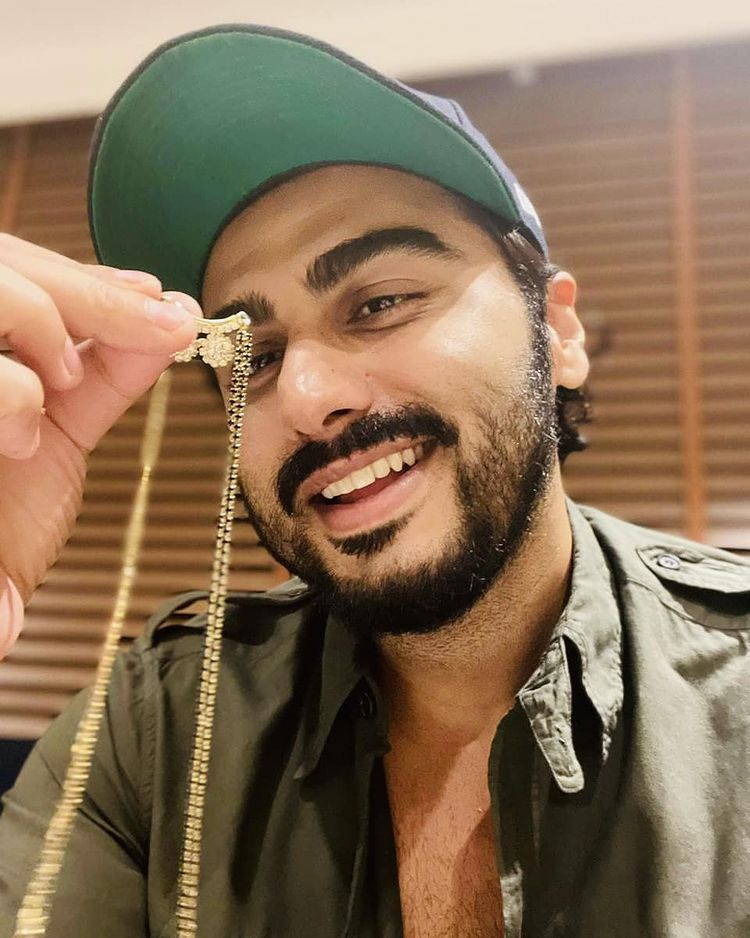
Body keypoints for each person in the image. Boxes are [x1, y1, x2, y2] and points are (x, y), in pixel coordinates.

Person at [0, 24, 748, 938]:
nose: (307, 396)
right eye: (257, 356)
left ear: (558, 332)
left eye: (381, 302)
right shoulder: (154, 735)